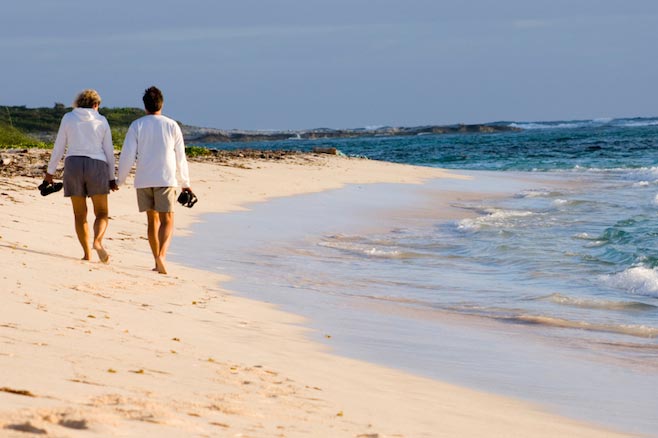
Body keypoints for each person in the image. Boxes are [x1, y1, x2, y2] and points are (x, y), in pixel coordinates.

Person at [117, 86, 192, 274]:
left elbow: (128, 155)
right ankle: (162, 256)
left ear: (145, 106)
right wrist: (185, 184)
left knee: (152, 221)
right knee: (167, 219)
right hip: (166, 178)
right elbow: (180, 157)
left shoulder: (137, 125)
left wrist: (120, 180)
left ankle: (155, 259)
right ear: (162, 104)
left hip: (143, 179)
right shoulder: (172, 125)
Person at [44, 89, 118, 263]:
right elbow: (109, 151)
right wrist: (112, 177)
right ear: (96, 105)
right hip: (97, 165)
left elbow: (59, 147)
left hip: (73, 164)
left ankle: (87, 254)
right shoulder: (101, 120)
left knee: (79, 214)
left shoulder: (68, 118)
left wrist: (50, 173)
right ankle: (98, 242)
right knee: (101, 213)